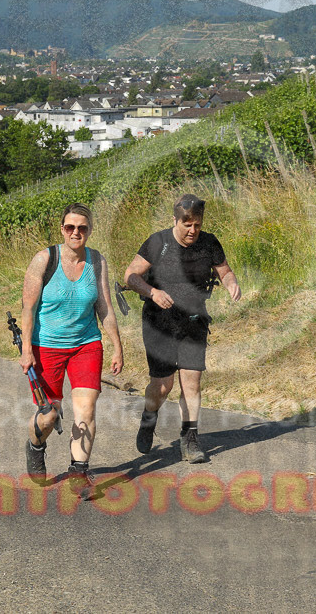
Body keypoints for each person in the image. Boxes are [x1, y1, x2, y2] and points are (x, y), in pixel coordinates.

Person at [123, 194, 241, 463]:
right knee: (163, 386)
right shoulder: (158, 242)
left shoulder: (209, 243)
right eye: (187, 224)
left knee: (191, 381)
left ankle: (190, 439)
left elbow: (225, 271)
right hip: (159, 322)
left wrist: (231, 283)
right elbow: (130, 275)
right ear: (175, 221)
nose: (192, 230)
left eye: (197, 225)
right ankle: (149, 417)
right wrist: (152, 292)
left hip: (194, 321)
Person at [20, 203, 123, 491]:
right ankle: (35, 446)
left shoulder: (97, 261)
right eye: (70, 227)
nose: (75, 232)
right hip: (46, 347)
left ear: (90, 230)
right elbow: (28, 308)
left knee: (85, 409)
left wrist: (117, 346)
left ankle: (78, 472)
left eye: (82, 228)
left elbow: (105, 307)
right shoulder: (44, 259)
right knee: (49, 415)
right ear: (62, 229)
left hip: (86, 345)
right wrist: (26, 349)